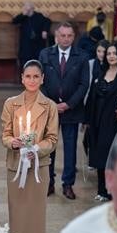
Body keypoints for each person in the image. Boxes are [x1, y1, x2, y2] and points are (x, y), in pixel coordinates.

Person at [1, 60, 58, 233]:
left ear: (42, 78)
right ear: (22, 78)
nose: (32, 80)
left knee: (34, 220)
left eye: (36, 76)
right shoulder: (11, 104)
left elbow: (52, 139)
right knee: (17, 218)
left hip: (38, 169)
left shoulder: (49, 106)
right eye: (28, 76)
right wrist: (12, 142)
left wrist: (36, 149)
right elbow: (5, 134)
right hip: (16, 167)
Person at [39, 22, 89, 199]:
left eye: (69, 36)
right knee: (49, 147)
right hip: (49, 110)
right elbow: (39, 81)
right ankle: (49, 183)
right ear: (56, 37)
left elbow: (84, 84)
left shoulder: (82, 56)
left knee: (70, 149)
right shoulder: (45, 54)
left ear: (73, 37)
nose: (66, 39)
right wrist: (51, 104)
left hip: (72, 110)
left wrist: (69, 104)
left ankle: (68, 184)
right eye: (63, 35)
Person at [87, 43, 117, 201]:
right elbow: (92, 96)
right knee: (99, 154)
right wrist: (88, 120)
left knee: (114, 155)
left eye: (114, 53)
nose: (111, 56)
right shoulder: (100, 72)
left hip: (114, 120)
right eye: (109, 53)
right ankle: (102, 190)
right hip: (97, 118)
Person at [12, 2, 51, 66]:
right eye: (26, 9)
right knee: (25, 51)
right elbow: (14, 21)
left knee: (39, 52)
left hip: (38, 41)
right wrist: (23, 15)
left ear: (32, 9)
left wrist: (45, 30)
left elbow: (48, 21)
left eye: (29, 9)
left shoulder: (39, 16)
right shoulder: (22, 17)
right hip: (26, 42)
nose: (27, 11)